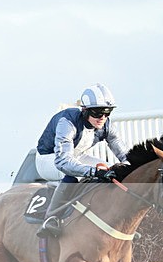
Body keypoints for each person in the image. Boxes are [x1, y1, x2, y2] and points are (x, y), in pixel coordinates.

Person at [35, 83, 129, 238]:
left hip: (75, 156)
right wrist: (93, 171)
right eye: (98, 113)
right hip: (49, 159)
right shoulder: (67, 121)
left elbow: (125, 154)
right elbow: (63, 162)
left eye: (107, 113)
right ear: (85, 110)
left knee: (107, 170)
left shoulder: (106, 125)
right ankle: (51, 218)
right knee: (73, 175)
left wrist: (132, 167)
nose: (102, 118)